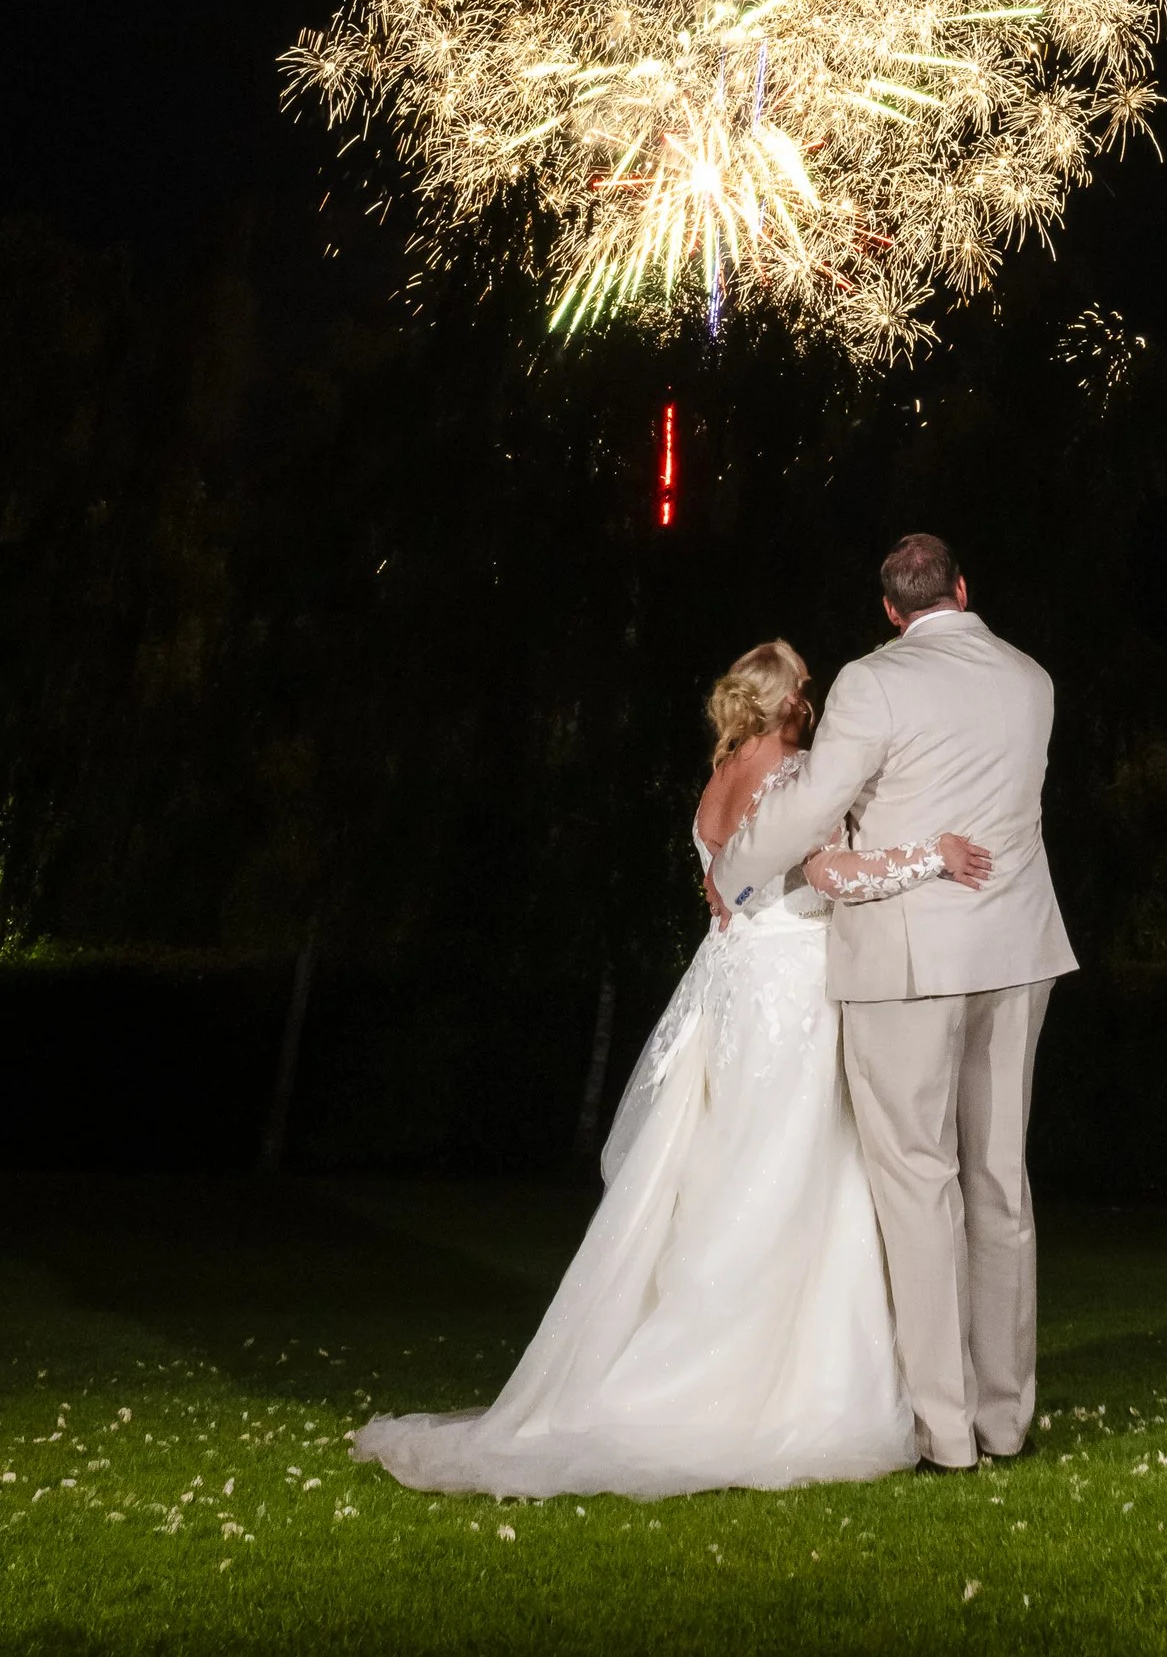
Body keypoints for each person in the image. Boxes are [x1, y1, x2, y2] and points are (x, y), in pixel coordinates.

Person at [350, 635, 990, 1500]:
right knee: (787, 1179)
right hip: (790, 993)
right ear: (787, 704)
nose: (816, 698)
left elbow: (726, 887)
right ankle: (754, 1387)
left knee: (722, 1175)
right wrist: (931, 856)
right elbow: (832, 875)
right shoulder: (797, 777)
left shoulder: (717, 782)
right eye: (807, 688)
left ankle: (691, 1362)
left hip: (729, 990)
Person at [711, 533, 1075, 1473]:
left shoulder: (875, 683)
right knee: (1001, 1184)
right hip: (1018, 949)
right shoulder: (1032, 679)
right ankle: (1006, 1420)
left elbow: (810, 805)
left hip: (911, 959)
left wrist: (737, 869)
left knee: (919, 1184)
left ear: (890, 608)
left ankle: (944, 1430)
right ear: (963, 586)